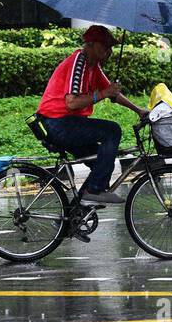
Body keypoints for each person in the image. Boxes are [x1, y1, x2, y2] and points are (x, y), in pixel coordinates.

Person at [37, 24, 147, 206]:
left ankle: (74, 216)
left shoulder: (92, 66)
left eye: (110, 46)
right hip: (57, 123)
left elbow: (111, 92)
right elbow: (71, 103)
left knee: (103, 162)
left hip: (69, 123)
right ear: (91, 44)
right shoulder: (78, 62)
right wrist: (103, 94)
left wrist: (139, 110)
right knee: (112, 131)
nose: (109, 50)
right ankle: (94, 190)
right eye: (105, 45)